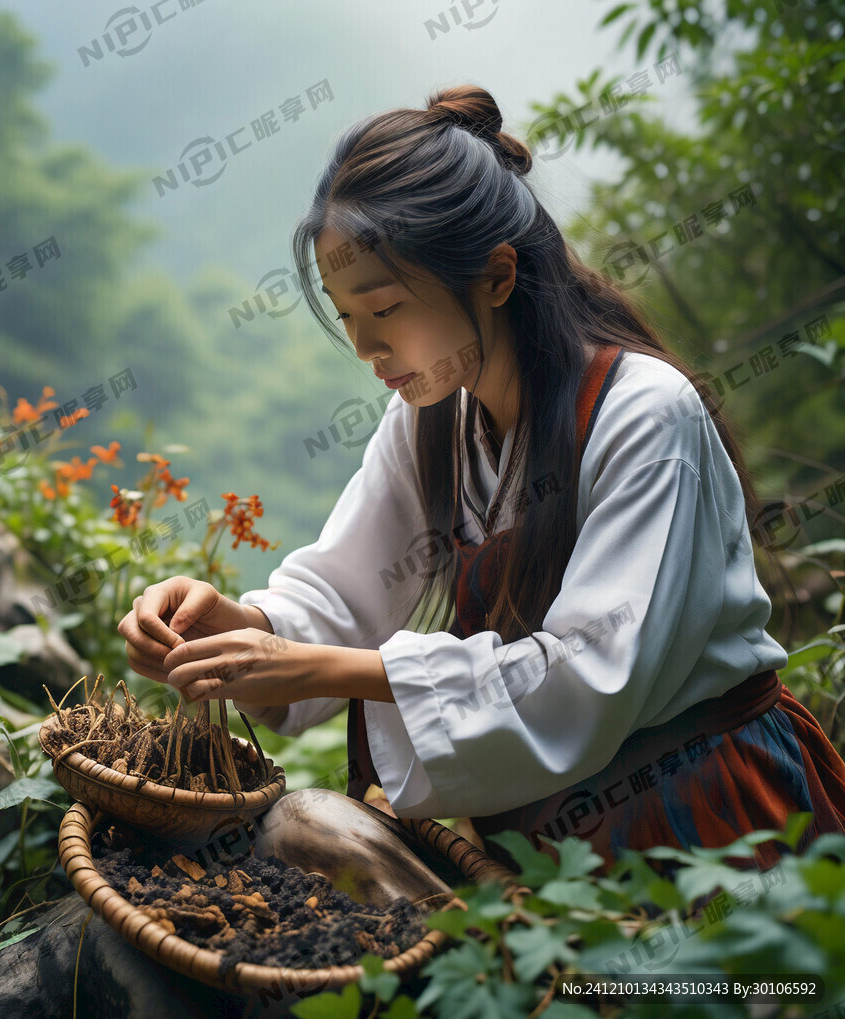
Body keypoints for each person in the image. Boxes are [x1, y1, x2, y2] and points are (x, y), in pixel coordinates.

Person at [117, 83, 845, 881]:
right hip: (549, 848)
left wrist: (323, 667)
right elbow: (344, 592)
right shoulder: (432, 419)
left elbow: (585, 676)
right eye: (346, 316)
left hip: (707, 821)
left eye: (385, 309)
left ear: (497, 277)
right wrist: (231, 622)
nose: (365, 348)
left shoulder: (645, 413)